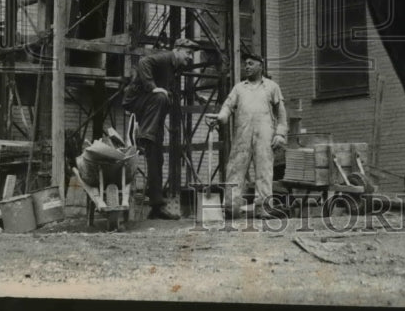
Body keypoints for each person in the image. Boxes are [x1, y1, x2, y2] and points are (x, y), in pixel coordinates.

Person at [122, 37, 198, 219]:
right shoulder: (165, 58)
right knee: (161, 97)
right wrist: (153, 87)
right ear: (177, 49)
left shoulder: (174, 68)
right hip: (136, 101)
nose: (190, 58)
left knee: (156, 159)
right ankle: (146, 136)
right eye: (188, 53)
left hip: (151, 112)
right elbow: (143, 62)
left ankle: (156, 206)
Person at [207, 52, 287, 218]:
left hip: (265, 136)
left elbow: (281, 114)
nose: (247, 66)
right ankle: (231, 209)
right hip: (242, 135)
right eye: (246, 64)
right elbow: (227, 106)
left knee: (264, 172)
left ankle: (263, 209)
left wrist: (280, 134)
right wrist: (221, 117)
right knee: (235, 171)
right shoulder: (239, 88)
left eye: (251, 63)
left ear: (260, 65)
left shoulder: (272, 87)